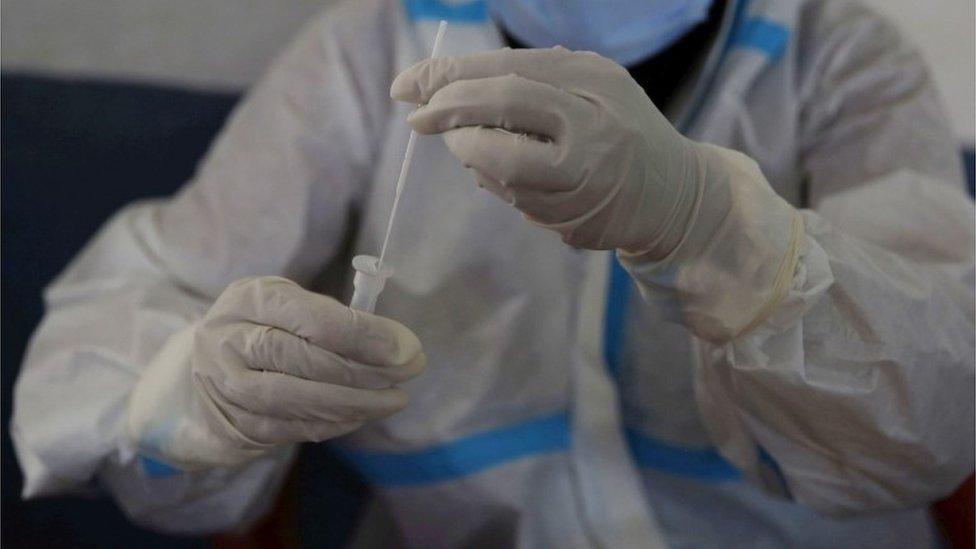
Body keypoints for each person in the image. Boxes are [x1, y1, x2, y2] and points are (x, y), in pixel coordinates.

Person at [11, 0, 975, 546]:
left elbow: (940, 401)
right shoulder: (369, 49)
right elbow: (131, 307)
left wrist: (715, 227)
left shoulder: (837, 53)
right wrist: (193, 389)